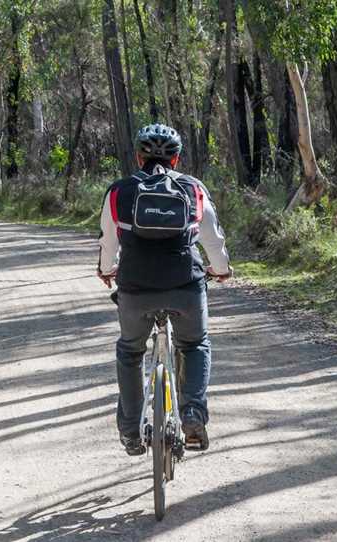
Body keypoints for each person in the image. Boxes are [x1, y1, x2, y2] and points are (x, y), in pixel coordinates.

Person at [96, 123, 232, 456]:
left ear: (138, 156)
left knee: (130, 352)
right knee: (195, 344)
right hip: (184, 285)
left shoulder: (119, 191)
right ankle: (193, 414)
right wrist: (222, 270)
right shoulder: (193, 188)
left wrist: (105, 270)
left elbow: (108, 242)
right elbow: (212, 240)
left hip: (135, 287)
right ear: (177, 158)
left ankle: (130, 431)